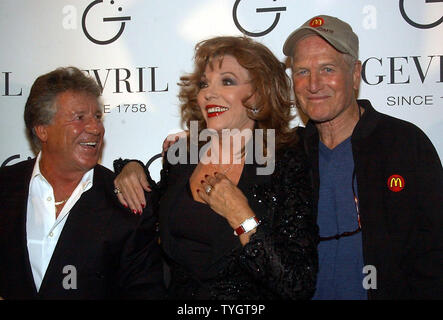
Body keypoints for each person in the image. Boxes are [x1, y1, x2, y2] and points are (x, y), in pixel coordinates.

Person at [113, 36, 318, 299]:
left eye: (227, 81)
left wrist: (241, 216)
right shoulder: (183, 155)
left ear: (258, 94)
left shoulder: (285, 162)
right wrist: (131, 168)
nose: (208, 93)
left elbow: (297, 283)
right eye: (204, 84)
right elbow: (150, 218)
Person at [283, 15, 443, 299]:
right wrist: (192, 143)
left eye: (327, 69)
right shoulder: (287, 152)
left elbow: (434, 251)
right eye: (302, 71)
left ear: (355, 73)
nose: (314, 84)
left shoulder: (405, 144)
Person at [0, 67, 165, 299]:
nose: (96, 128)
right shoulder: (5, 187)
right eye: (79, 117)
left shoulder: (128, 205)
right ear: (42, 129)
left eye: (97, 117)